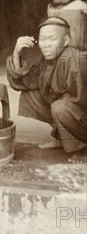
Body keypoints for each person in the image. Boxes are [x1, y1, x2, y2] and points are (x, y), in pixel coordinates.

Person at [7, 17, 87, 163]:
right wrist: (17, 52)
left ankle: (82, 148)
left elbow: (81, 102)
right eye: (43, 39)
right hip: (72, 110)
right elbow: (23, 82)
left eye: (52, 39)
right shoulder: (46, 59)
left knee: (60, 107)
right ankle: (61, 138)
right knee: (30, 94)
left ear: (65, 40)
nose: (46, 45)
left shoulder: (75, 60)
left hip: (83, 113)